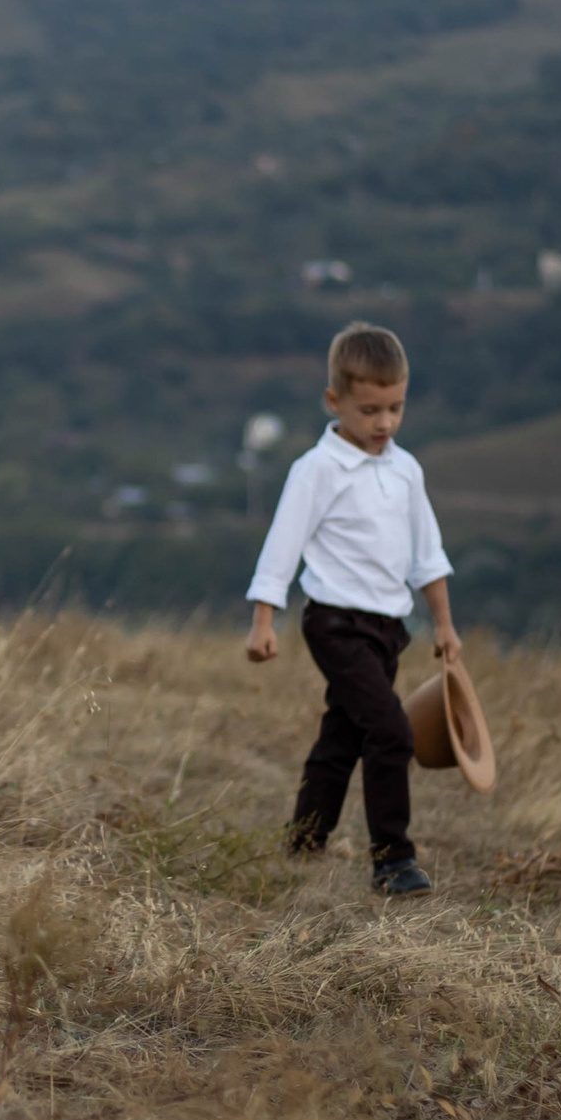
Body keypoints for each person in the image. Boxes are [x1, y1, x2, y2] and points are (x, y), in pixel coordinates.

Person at [243, 321, 458, 898]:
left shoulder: (405, 470)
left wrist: (443, 624)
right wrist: (264, 621)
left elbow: (427, 555)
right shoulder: (316, 470)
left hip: (389, 629)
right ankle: (393, 859)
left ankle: (304, 841)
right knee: (391, 732)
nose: (384, 423)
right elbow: (281, 548)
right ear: (334, 401)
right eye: (369, 411)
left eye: (395, 408)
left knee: (342, 737)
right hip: (334, 623)